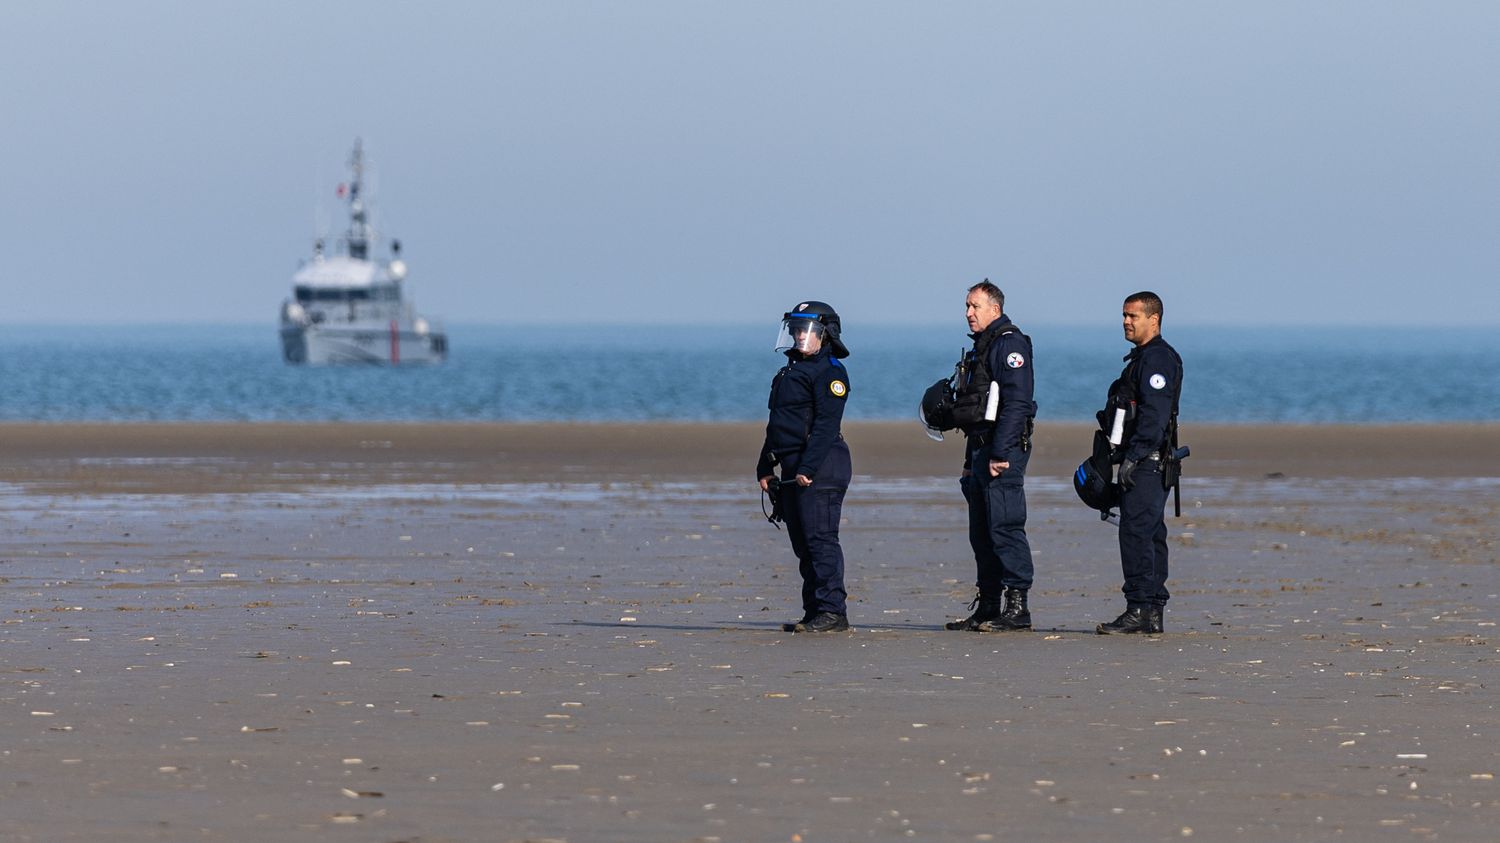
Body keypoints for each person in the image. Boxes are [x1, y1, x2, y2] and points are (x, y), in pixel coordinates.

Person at [756, 301, 853, 633]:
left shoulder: (831, 372)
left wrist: (808, 469)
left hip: (823, 465)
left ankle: (832, 611)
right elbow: (777, 424)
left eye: (807, 330)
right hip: (791, 465)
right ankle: (814, 610)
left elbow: (826, 425)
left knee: (820, 539)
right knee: (802, 542)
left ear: (825, 334)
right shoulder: (787, 373)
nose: (800, 336)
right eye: (796, 329)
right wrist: (765, 467)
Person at [945, 280, 1037, 632]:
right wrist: (971, 463)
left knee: (1005, 526)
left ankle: (1018, 608)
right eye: (966, 306)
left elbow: (1017, 403)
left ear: (994, 309)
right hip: (982, 448)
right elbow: (977, 414)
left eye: (975, 306)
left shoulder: (1009, 345)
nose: (968, 313)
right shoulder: (981, 348)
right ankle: (987, 606)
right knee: (981, 532)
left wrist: (1000, 454)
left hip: (1004, 450)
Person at [1096, 291, 1183, 635]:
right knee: (1149, 533)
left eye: (1133, 316)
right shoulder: (1141, 358)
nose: (1126, 322)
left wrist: (1134, 457)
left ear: (1154, 319)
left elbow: (1155, 415)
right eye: (1124, 315)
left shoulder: (1158, 359)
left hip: (1149, 462)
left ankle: (1140, 609)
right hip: (1143, 459)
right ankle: (1150, 611)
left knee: (1137, 533)